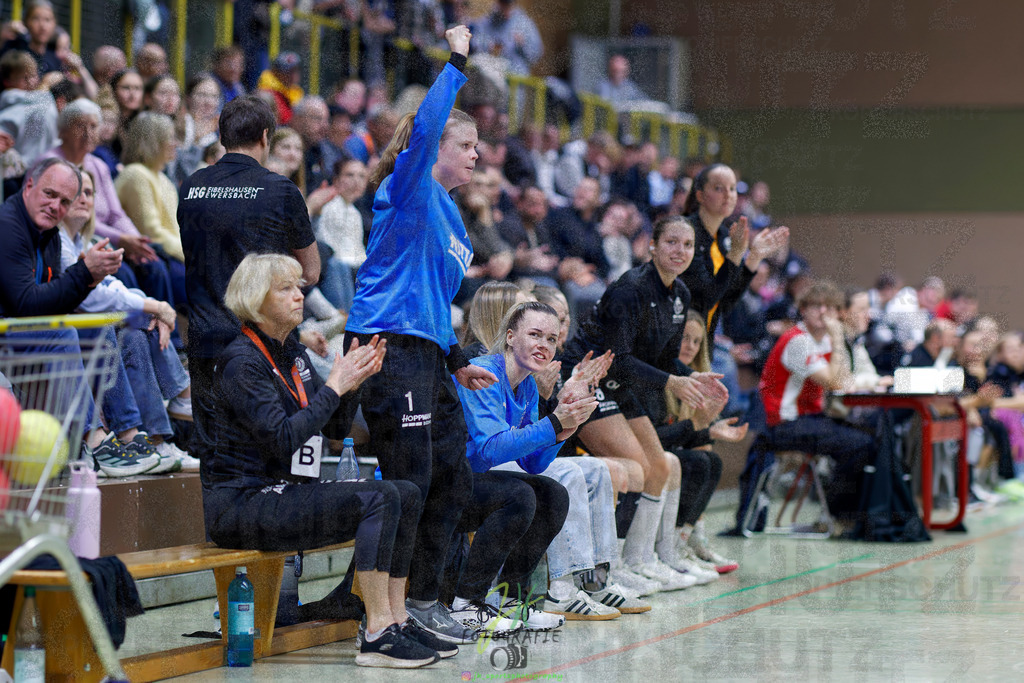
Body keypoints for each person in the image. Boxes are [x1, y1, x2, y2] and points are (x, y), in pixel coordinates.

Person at [206, 253, 450, 668]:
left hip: (287, 494)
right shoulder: (241, 362)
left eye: (299, 285)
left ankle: (396, 617)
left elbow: (335, 428)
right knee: (380, 498)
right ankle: (375, 633)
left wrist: (354, 382)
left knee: (406, 492)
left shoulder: (292, 355)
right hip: (243, 503)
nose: (299, 294)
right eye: (285, 288)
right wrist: (336, 386)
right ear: (254, 297)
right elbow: (283, 439)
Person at [343, 26, 497, 645]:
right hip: (386, 349)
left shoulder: (453, 213)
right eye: (469, 143)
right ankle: (384, 619)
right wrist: (456, 61)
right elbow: (427, 125)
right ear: (436, 146)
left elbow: (430, 298)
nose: (478, 154)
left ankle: (422, 602)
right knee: (406, 482)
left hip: (430, 357)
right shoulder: (407, 188)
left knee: (450, 479)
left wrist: (456, 358)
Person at [562, 216, 728, 593]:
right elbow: (617, 356)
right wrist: (673, 382)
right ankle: (610, 567)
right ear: (652, 245)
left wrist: (690, 375)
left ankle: (643, 559)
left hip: (621, 384)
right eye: (671, 242)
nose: (679, 251)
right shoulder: (630, 288)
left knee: (659, 466)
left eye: (687, 245)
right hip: (588, 377)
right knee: (637, 468)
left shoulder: (680, 295)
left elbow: (664, 358)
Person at [178, 94, 321, 468]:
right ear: (265, 136)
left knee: (213, 456)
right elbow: (311, 271)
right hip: (259, 343)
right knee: (269, 456)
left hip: (204, 338)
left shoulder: (191, 187)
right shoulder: (281, 190)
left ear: (223, 136)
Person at [58, 169, 196, 472]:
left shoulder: (84, 241)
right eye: (77, 191)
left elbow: (113, 288)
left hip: (88, 328)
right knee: (112, 323)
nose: (84, 198)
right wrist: (153, 305)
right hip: (61, 335)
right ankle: (141, 425)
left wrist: (150, 308)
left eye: (90, 193)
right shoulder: (56, 241)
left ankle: (156, 441)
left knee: (137, 330)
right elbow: (91, 299)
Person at [749, 280, 876, 524]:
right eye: (815, 306)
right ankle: (836, 518)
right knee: (858, 444)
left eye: (829, 307)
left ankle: (848, 516)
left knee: (870, 436)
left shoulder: (823, 341)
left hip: (810, 418)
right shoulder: (798, 340)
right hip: (785, 423)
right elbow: (835, 383)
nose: (822, 312)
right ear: (802, 309)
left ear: (837, 312)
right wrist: (839, 338)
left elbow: (844, 380)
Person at [656, 310, 744, 574]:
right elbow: (657, 439)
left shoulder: (699, 379)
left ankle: (688, 541)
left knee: (708, 459)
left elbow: (686, 439)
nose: (690, 347)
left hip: (673, 456)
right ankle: (671, 547)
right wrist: (699, 427)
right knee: (697, 461)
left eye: (696, 342)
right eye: (684, 338)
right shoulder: (661, 379)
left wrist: (709, 431)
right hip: (655, 454)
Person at [680, 163, 789, 334]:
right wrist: (737, 253)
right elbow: (706, 298)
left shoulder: (725, 235)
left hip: (708, 331)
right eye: (718, 188)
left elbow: (727, 301)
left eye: (732, 189)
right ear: (700, 195)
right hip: (681, 330)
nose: (728, 195)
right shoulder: (685, 233)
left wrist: (755, 256)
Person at [115, 112, 188, 313]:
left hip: (170, 255)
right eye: (170, 137)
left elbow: (176, 229)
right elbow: (151, 233)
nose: (176, 143)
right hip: (151, 258)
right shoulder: (136, 174)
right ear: (153, 141)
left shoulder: (163, 180)